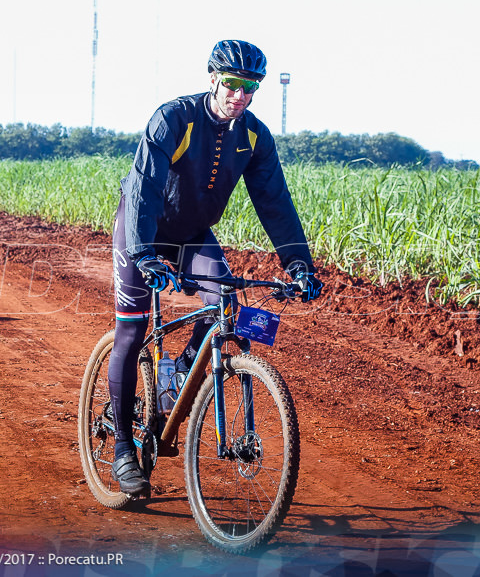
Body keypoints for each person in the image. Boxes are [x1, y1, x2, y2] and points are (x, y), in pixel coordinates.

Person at [107, 39, 323, 495]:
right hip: (142, 229)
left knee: (233, 315)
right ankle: (123, 447)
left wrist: (298, 263)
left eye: (250, 87)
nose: (239, 96)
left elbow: (275, 202)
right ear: (212, 79)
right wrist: (144, 253)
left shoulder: (255, 136)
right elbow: (144, 188)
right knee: (131, 329)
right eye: (231, 85)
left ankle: (180, 372)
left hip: (193, 233)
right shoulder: (174, 118)